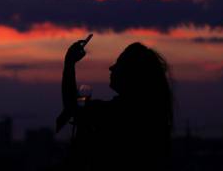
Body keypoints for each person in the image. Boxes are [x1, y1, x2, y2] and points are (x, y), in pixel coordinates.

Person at [57, 38, 173, 170]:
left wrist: (69, 63)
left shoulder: (115, 113)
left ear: (131, 74)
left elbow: (72, 107)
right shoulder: (152, 116)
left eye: (118, 64)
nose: (111, 67)